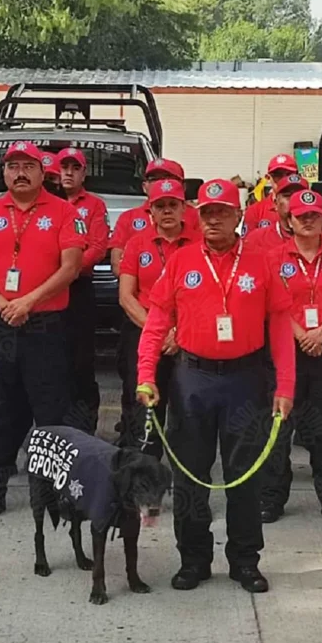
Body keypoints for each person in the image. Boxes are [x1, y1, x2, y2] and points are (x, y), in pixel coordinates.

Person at [136, 179, 295, 595]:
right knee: (190, 475)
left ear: (238, 216)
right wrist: (146, 375)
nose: (213, 220)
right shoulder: (182, 261)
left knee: (244, 477)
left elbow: (281, 325)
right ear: (197, 216)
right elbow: (156, 322)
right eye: (207, 213)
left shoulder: (261, 262)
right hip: (193, 380)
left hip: (246, 380)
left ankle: (245, 560)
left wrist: (285, 385)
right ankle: (193, 560)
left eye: (222, 212)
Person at [0, 141, 87, 521]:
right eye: (13, 166)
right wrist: (3, 303)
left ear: (42, 172)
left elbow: (70, 267)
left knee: (52, 412)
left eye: (28, 166)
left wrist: (27, 302)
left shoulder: (64, 212)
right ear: (4, 172)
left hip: (45, 327)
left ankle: (56, 493)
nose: (20, 173)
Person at [258, 190, 322, 524]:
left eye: (314, 215)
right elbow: (272, 305)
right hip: (285, 350)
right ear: (289, 220)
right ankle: (271, 498)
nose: (308, 221)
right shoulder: (274, 257)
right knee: (278, 429)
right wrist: (302, 335)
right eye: (301, 216)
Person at [118, 178, 200, 457]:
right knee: (143, 405)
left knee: (186, 407)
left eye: (173, 205)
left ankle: (185, 470)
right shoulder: (136, 244)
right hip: (144, 331)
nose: (167, 211)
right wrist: (159, 331)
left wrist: (178, 332)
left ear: (184, 208)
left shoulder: (199, 243)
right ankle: (142, 466)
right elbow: (126, 296)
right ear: (150, 210)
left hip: (188, 335)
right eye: (160, 206)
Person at [59, 146, 110, 435]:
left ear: (84, 173)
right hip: (45, 293)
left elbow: (98, 247)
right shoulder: (46, 204)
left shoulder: (94, 206)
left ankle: (85, 424)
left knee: (80, 360)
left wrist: (66, 271)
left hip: (77, 289)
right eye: (63, 167)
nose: (68, 173)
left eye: (74, 168)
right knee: (50, 360)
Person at [110, 158, 199, 276]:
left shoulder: (197, 216)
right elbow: (117, 260)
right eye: (154, 179)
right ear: (144, 186)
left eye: (167, 178)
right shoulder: (128, 217)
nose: (161, 183)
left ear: (183, 186)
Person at [244, 174, 309, 249]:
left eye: (299, 195)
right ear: (275, 203)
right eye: (287, 196)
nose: (294, 200)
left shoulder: (318, 239)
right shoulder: (257, 239)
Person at [243, 154, 300, 234]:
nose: (283, 179)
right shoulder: (255, 211)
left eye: (288, 174)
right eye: (278, 175)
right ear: (268, 177)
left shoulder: (308, 209)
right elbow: (248, 241)